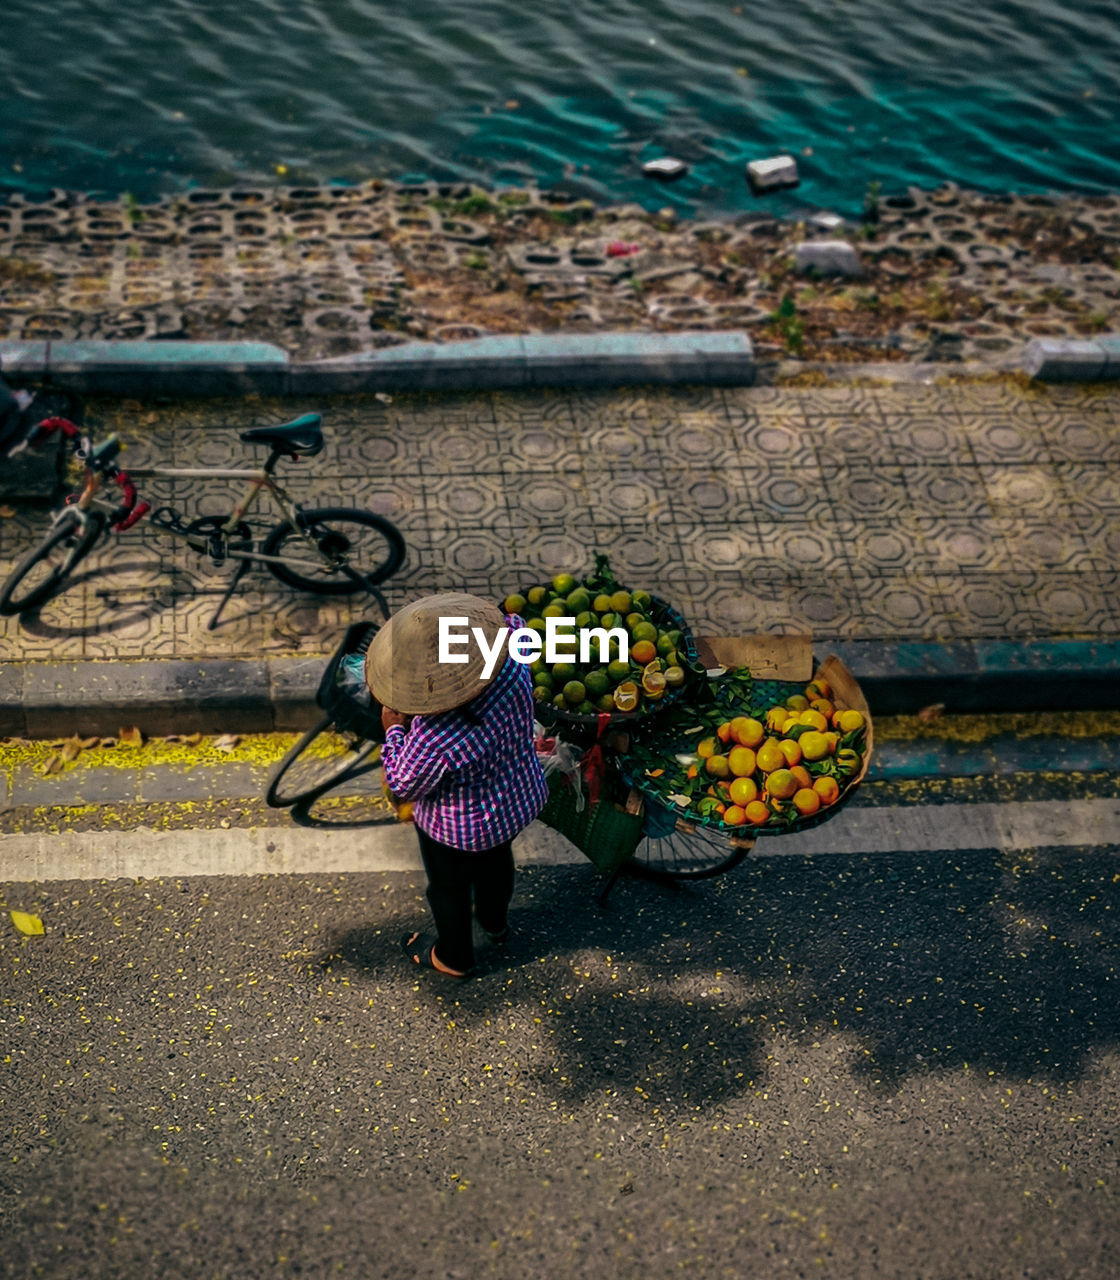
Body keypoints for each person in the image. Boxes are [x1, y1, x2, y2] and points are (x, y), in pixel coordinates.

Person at [364, 592, 547, 978]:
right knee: (498, 864)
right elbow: (515, 622)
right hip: (517, 797)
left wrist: (394, 730)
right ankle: (495, 924)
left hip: (459, 828)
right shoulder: (512, 652)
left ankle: (454, 958)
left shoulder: (437, 735)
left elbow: (403, 782)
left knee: (448, 889)